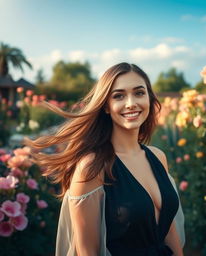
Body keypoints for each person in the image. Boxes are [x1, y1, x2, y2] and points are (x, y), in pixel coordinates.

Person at [25, 62, 185, 256]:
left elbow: (168, 229)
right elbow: (88, 252)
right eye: (119, 96)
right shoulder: (92, 167)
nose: (131, 103)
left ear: (149, 99)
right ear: (106, 107)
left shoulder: (158, 157)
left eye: (139, 93)